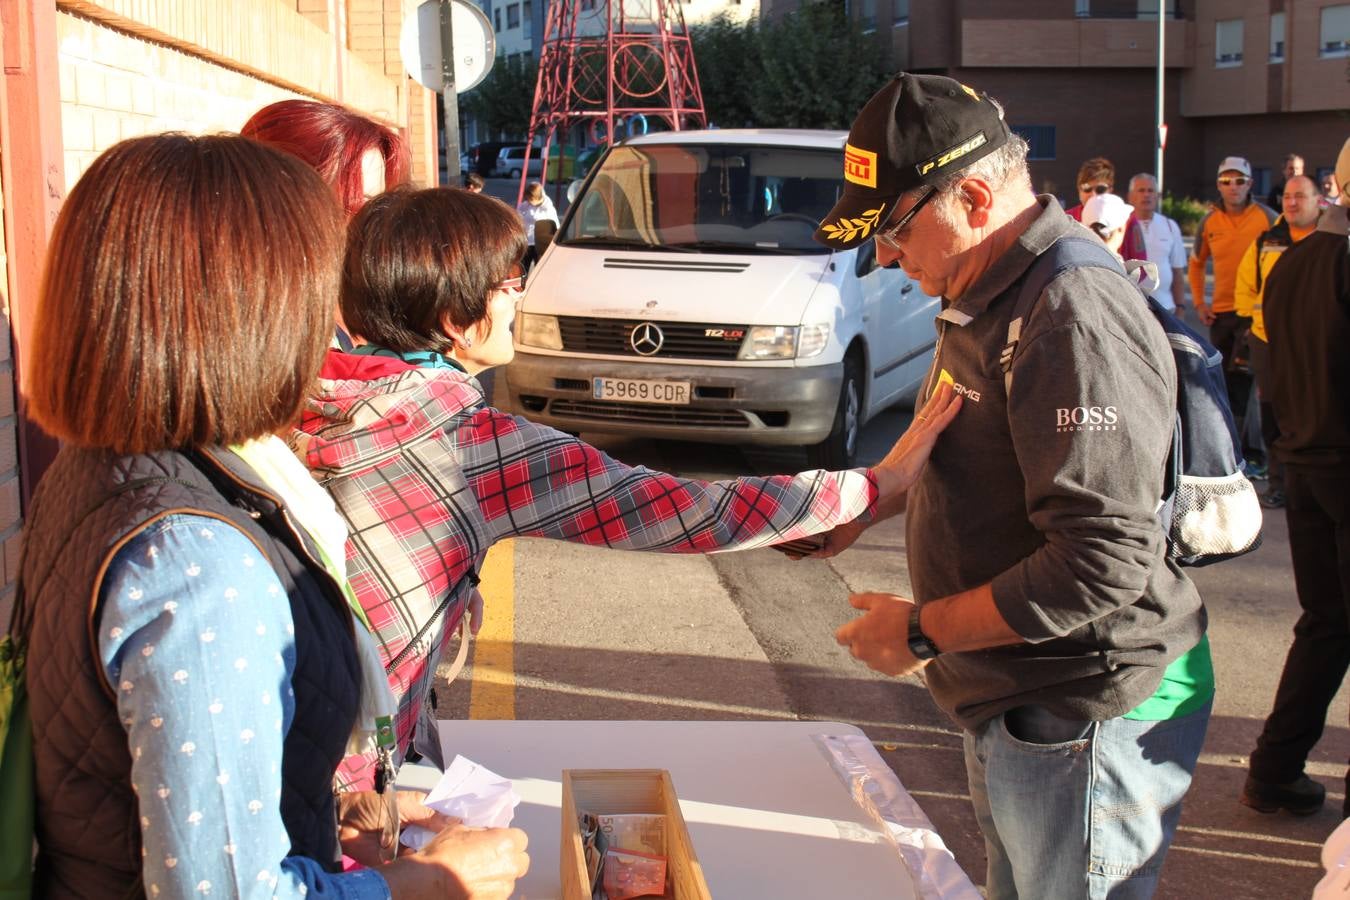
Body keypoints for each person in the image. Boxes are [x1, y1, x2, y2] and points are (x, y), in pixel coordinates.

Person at [292, 185, 962, 787]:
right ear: (455, 320)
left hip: (291, 745)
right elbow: (685, 512)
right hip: (356, 780)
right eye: (506, 284)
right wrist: (875, 484)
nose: (520, 297)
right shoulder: (466, 442)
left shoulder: (296, 401)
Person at [18, 135, 529, 898]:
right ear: (249, 313)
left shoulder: (101, 472)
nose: (333, 327)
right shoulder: (197, 563)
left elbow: (144, 780)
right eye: (317, 295)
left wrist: (319, 807)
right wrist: (428, 884)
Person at [812, 72, 1211, 899]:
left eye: (892, 228)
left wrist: (921, 633)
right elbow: (947, 452)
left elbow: (1100, 563)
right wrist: (853, 504)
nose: (884, 258)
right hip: (1018, 693)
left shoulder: (1068, 311)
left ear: (974, 193)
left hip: (1085, 704)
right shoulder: (982, 290)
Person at [1242, 137, 1350, 818]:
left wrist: (1285, 446)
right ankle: (1276, 768)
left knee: (1327, 622)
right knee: (1328, 623)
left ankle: (1276, 767)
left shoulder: (1291, 263)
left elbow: (1267, 367)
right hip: (1338, 458)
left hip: (1305, 462)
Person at [243, 99, 411, 350]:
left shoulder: (357, 296)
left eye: (375, 205)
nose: (370, 223)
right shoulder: (257, 322)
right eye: (352, 204)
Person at [1233, 173, 1323, 510]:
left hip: (1316, 343)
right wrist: (1256, 319)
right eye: (1287, 196)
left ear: (1319, 201)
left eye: (1301, 195)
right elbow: (1245, 288)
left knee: (1314, 413)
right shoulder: (1266, 241)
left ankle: (1313, 485)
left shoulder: (1332, 242)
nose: (1292, 202)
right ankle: (1279, 484)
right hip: (1268, 342)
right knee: (1275, 416)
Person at [1188, 155, 1278, 436]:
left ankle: (1251, 450)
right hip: (1221, 312)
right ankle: (1231, 445)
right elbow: (1196, 263)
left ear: (1250, 183)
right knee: (1221, 380)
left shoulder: (1267, 218)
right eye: (1226, 181)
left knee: (1247, 382)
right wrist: (1200, 302)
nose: (1233, 186)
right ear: (1219, 185)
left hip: (1255, 313)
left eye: (1239, 180)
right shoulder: (1210, 221)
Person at [1064, 156, 1148, 263]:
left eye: (1100, 189)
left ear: (1110, 190)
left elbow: (1141, 263)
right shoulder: (1067, 219)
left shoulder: (1126, 219)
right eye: (1086, 188)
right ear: (1079, 190)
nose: (1093, 194)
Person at [1128, 172, 1188, 311]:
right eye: (1141, 190)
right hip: (1133, 308)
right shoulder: (1121, 226)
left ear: (1158, 196)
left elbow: (1177, 271)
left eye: (1151, 191)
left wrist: (1180, 307)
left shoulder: (1169, 226)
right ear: (1130, 196)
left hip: (1166, 308)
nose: (1146, 195)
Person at [516, 181, 558, 269]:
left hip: (541, 243)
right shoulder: (524, 206)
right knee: (523, 268)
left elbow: (555, 226)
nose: (529, 202)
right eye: (527, 199)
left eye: (531, 199)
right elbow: (517, 219)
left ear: (538, 197)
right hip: (526, 241)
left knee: (539, 268)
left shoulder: (548, 209)